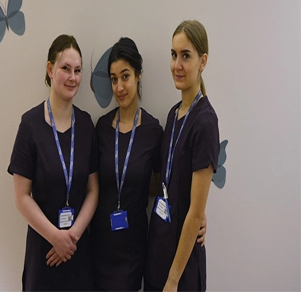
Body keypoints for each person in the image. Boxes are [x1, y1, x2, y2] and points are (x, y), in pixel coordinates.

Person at [89, 37, 207, 292]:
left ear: (138, 76)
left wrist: (198, 211)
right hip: (99, 248)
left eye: (125, 76)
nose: (119, 86)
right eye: (113, 79)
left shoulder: (154, 130)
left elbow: (167, 183)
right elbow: (90, 186)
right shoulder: (100, 128)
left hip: (135, 251)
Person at [8, 34, 99, 292]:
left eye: (78, 71)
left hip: (77, 251)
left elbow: (93, 189)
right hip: (44, 252)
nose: (73, 77)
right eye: (65, 69)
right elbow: (21, 197)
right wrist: (55, 238)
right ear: (50, 69)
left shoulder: (86, 126)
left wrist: (71, 238)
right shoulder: (30, 125)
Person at [144, 20, 220, 292]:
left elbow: (195, 212)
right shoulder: (173, 114)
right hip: (159, 253)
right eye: (174, 55)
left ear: (203, 61)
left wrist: (173, 280)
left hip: (181, 271)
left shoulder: (206, 122)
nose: (177, 64)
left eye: (186, 56)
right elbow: (170, 181)